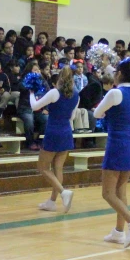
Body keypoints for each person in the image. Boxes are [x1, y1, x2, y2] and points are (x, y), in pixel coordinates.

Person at [93, 58, 130, 247]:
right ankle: (119, 232)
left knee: (108, 193)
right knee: (121, 190)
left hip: (116, 142)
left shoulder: (114, 93)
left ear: (119, 74)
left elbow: (97, 114)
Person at [30, 65, 79, 213]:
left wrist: (31, 92)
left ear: (59, 78)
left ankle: (64, 193)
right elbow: (73, 116)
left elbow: (34, 107)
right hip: (66, 132)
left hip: (53, 132)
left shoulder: (54, 93)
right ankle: (52, 201)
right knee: (58, 167)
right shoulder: (76, 94)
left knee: (43, 167)